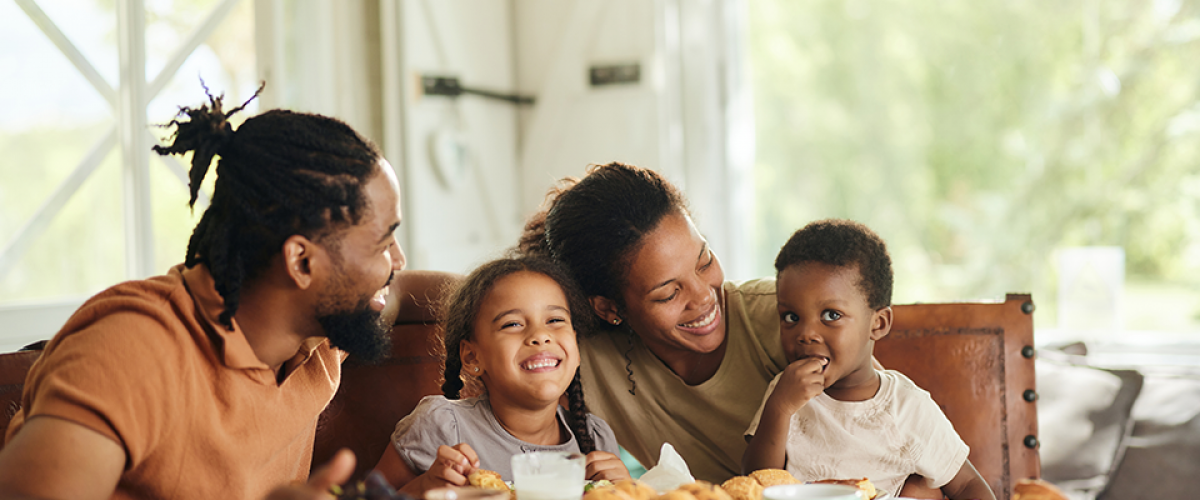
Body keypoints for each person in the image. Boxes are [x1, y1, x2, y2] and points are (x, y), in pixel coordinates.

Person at [0, 90, 406, 500]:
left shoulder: (317, 335)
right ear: (301, 263)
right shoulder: (130, 353)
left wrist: (470, 293)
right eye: (384, 243)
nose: (399, 260)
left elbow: (400, 291)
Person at [517, 162, 786, 483]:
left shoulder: (785, 317)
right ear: (607, 308)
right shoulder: (577, 358)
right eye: (669, 293)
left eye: (705, 261)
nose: (702, 296)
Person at [742, 219, 995, 500]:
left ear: (878, 323)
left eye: (831, 315)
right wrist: (780, 408)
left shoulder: (906, 407)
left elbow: (966, 485)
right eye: (791, 317)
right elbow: (757, 484)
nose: (806, 334)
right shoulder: (784, 394)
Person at [374, 256, 630, 496]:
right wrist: (424, 488)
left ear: (576, 345)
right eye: (513, 324)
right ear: (473, 358)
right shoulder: (442, 426)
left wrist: (627, 491)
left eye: (554, 319)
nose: (540, 335)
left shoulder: (595, 437)